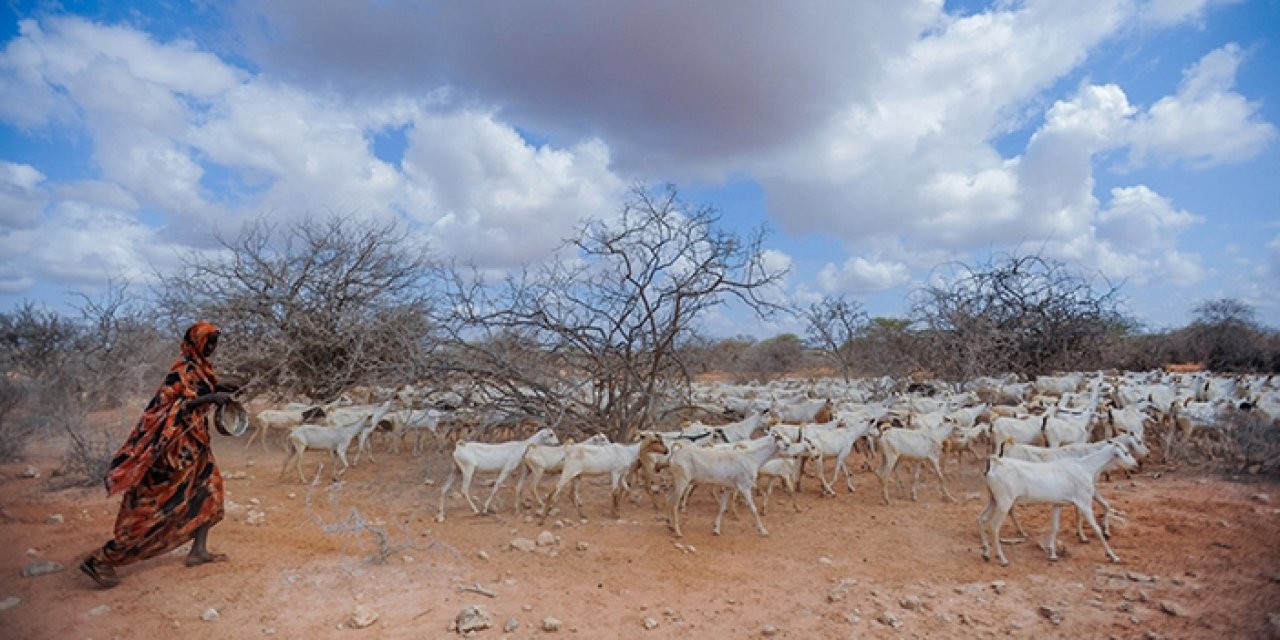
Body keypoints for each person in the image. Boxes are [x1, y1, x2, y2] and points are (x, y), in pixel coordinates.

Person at [79, 321, 236, 588]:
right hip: (174, 452)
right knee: (159, 508)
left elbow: (202, 388)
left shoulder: (201, 369)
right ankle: (102, 559)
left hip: (196, 447)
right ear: (196, 344)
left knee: (210, 491)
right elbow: (170, 405)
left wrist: (220, 388)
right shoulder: (181, 370)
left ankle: (198, 551)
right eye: (207, 343)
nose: (211, 348)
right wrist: (210, 399)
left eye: (214, 344)